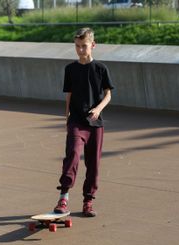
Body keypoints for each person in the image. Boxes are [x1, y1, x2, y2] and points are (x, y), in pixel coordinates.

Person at [53, 27, 114, 217]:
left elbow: (108, 94)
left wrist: (98, 109)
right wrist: (67, 118)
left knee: (93, 164)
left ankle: (88, 201)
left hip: (95, 124)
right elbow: (69, 95)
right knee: (72, 154)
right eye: (77, 46)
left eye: (84, 46)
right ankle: (63, 197)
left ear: (93, 45)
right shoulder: (70, 69)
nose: (80, 50)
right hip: (76, 121)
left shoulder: (101, 69)